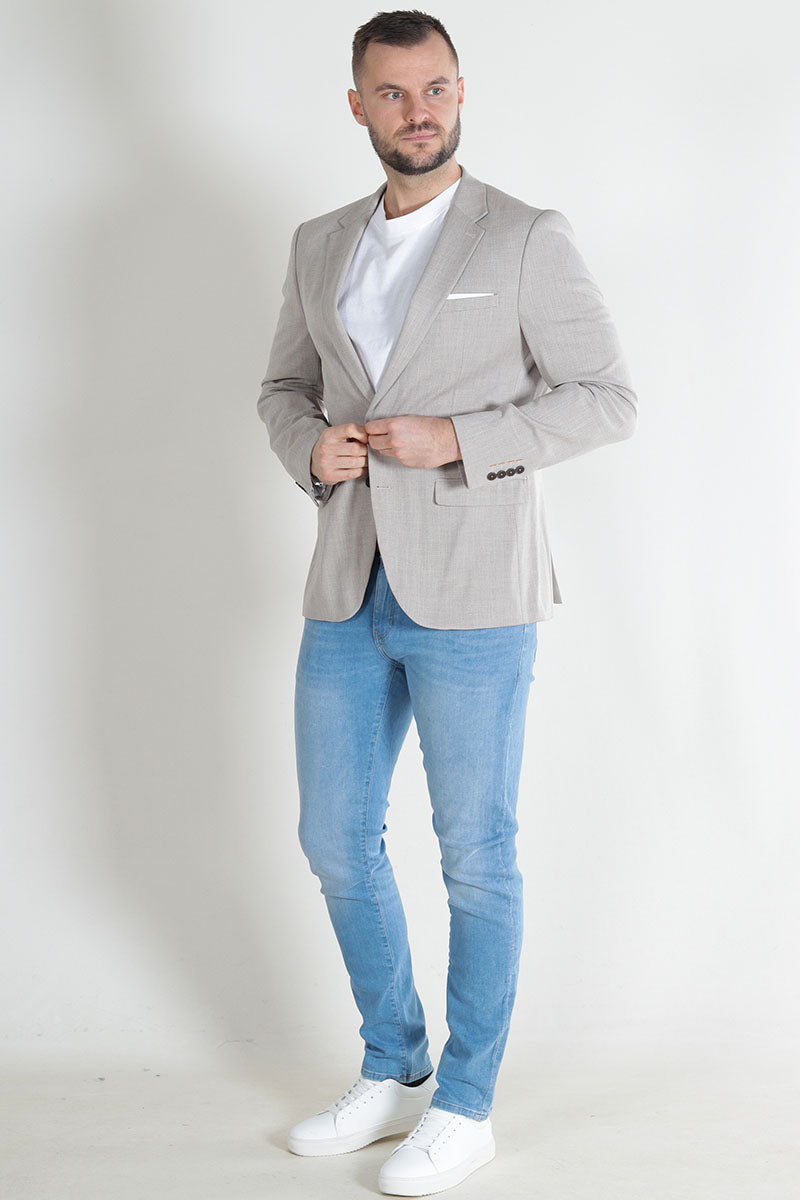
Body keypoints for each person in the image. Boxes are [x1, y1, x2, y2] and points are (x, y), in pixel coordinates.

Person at [257, 10, 637, 1195]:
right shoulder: (320, 242)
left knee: (474, 852)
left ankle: (465, 1104)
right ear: (357, 106)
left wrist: (459, 437)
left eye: (435, 88)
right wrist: (310, 447)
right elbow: (281, 386)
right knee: (333, 840)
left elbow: (606, 397)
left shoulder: (522, 236)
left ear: (460, 92)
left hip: (474, 591)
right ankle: (393, 1061)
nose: (417, 111)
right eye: (391, 92)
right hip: (346, 582)